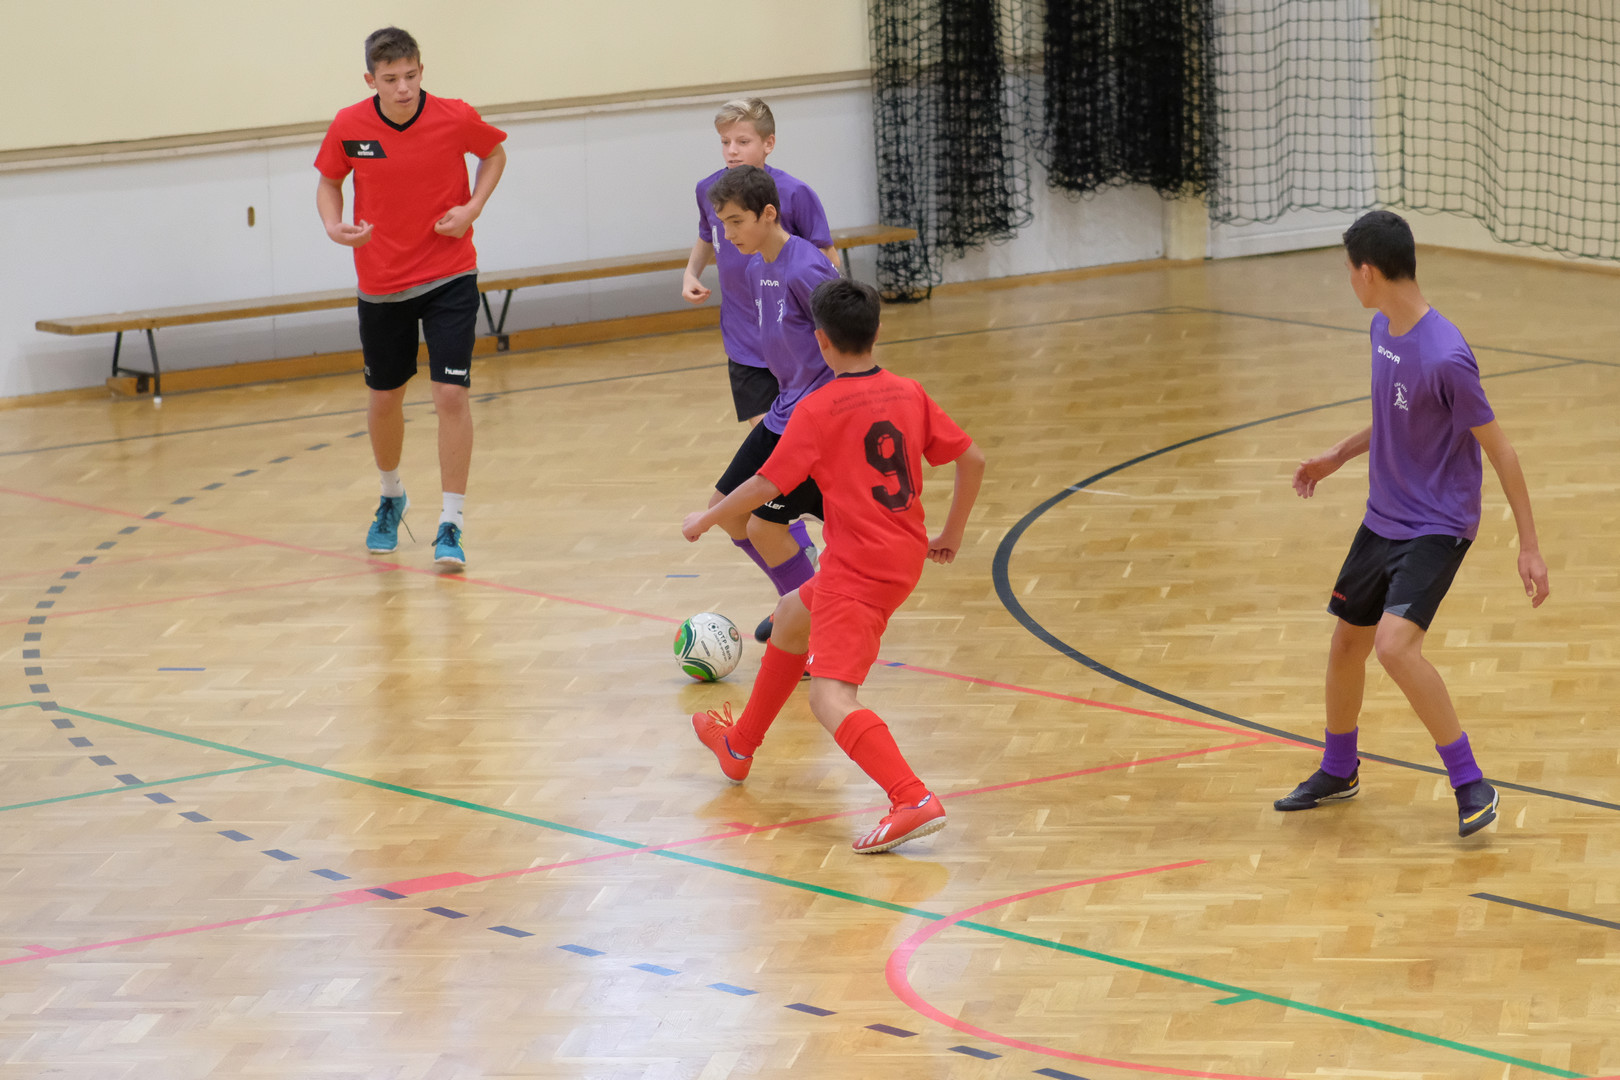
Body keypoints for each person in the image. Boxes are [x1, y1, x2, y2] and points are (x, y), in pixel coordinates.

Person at [681, 278, 987, 855]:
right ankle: (739, 746)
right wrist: (951, 533)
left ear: (819, 340)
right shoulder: (909, 392)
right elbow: (972, 459)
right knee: (791, 615)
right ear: (877, 331)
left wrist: (707, 517)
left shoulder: (818, 408)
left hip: (859, 570)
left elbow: (765, 484)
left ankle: (911, 798)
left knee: (830, 698)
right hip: (900, 555)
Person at [1277, 209, 1550, 837]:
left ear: (1369, 272)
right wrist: (1338, 455)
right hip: (1385, 514)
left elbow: (1502, 451)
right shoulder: (1382, 328)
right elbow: (1395, 415)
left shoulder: (1446, 355)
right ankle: (1338, 769)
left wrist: (1529, 547)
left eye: (1350, 270)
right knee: (1347, 643)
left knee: (1394, 645)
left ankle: (1469, 781)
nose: (1350, 280)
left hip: (1438, 521)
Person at [315, 26, 507, 568]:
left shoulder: (454, 116)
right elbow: (329, 182)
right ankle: (391, 495)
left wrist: (472, 208)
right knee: (385, 398)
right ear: (370, 80)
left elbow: (494, 154)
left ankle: (451, 522)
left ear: (422, 71)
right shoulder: (349, 125)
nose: (403, 88)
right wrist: (333, 225)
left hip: (449, 274)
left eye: (411, 76)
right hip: (381, 284)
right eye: (391, 79)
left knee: (450, 395)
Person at [682, 99, 839, 642]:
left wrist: (839, 398)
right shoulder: (755, 267)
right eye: (721, 223)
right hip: (782, 402)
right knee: (732, 512)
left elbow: (848, 326)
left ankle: (815, 619)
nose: (725, 235)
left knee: (761, 518)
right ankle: (803, 604)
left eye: (735, 223)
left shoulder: (804, 265)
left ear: (768, 214)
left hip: (813, 414)